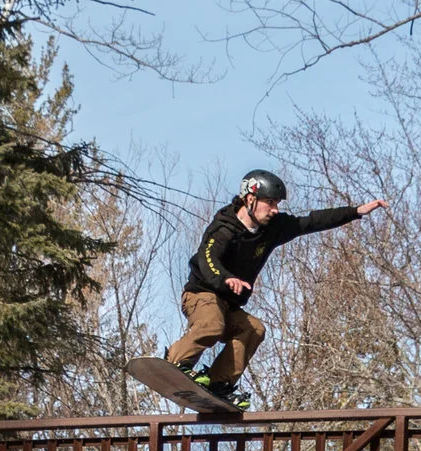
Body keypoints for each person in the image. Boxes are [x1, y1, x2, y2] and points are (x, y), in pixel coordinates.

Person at [164, 170, 387, 408]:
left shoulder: (273, 228)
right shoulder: (223, 228)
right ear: (250, 199)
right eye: (269, 203)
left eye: (277, 204)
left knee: (254, 330)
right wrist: (226, 278)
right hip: (201, 294)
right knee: (212, 324)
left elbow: (311, 221)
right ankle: (176, 362)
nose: (274, 210)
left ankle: (219, 383)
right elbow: (207, 259)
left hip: (229, 305)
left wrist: (355, 212)